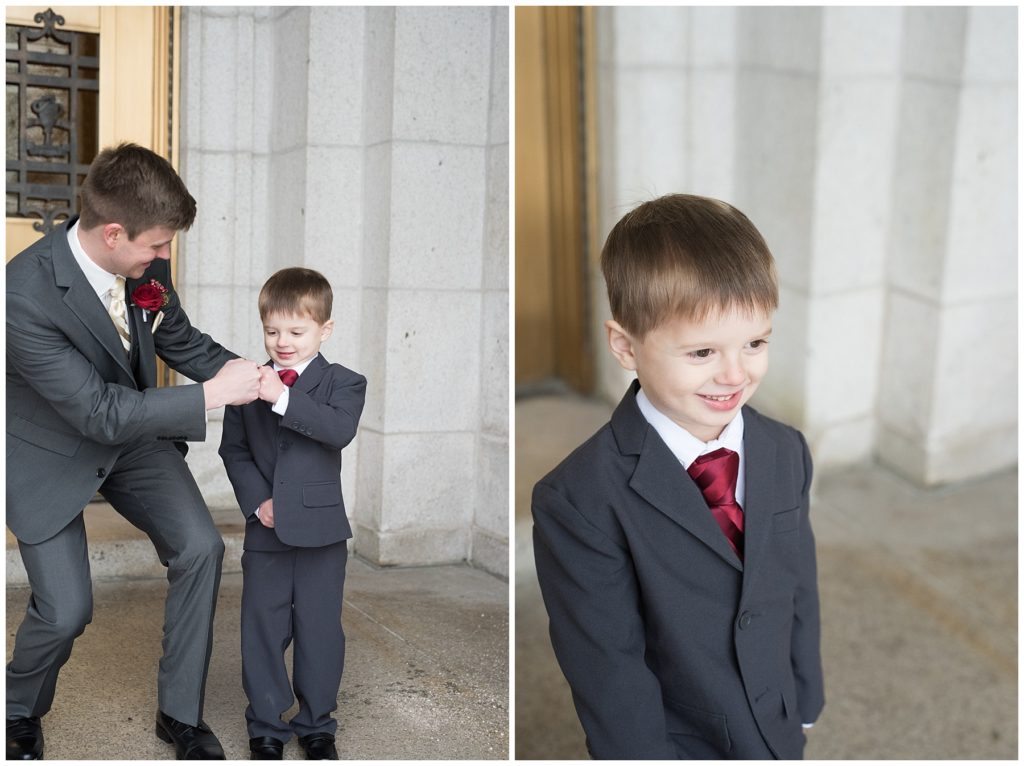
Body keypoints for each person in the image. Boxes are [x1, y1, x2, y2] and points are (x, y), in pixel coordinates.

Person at [531, 194, 825, 759]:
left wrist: (805, 701)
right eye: (702, 352)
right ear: (625, 346)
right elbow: (609, 669)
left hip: (780, 728)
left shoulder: (785, 451)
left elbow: (797, 588)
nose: (735, 373)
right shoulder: (579, 499)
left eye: (756, 343)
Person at [6, 142, 263, 760]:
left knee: (202, 547)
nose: (164, 256)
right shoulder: (20, 296)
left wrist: (251, 373)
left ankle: (178, 714)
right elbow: (96, 411)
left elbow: (177, 336)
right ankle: (16, 709)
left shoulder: (142, 266)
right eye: (158, 244)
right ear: (114, 233)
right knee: (67, 610)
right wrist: (211, 396)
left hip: (133, 435)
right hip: (50, 451)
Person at [219, 267, 366, 761]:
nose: (282, 342)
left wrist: (280, 396)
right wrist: (257, 501)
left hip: (322, 532)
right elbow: (234, 452)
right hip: (267, 530)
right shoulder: (247, 385)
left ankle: (317, 723)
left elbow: (337, 430)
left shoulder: (345, 383)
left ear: (324, 330)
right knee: (262, 626)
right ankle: (265, 724)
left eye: (296, 332)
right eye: (272, 331)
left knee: (321, 629)